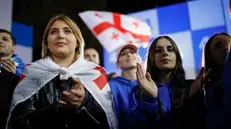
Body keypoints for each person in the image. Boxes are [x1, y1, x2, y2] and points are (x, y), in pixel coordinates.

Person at [6, 15, 117, 129]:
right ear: (46, 43)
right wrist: (56, 110)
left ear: (78, 41)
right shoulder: (31, 72)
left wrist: (85, 100)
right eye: (54, 32)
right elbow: (19, 121)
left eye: (67, 31)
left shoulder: (96, 73)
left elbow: (107, 119)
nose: (60, 36)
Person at [129, 36, 194, 129]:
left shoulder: (191, 87)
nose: (165, 53)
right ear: (151, 58)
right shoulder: (138, 91)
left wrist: (192, 97)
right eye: (158, 51)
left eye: (170, 49)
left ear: (177, 56)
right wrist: (149, 98)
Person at [190, 33, 231, 129]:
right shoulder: (210, 94)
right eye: (218, 46)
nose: (226, 48)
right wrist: (193, 95)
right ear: (210, 56)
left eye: (229, 43)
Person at [109, 44, 142, 129]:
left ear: (138, 58)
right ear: (118, 63)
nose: (129, 55)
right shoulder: (111, 85)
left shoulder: (150, 83)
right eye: (123, 53)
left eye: (132, 52)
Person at [0, 29, 20, 129]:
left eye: (5, 39)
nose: (0, 41)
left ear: (14, 48)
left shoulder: (26, 74)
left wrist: (10, 78)